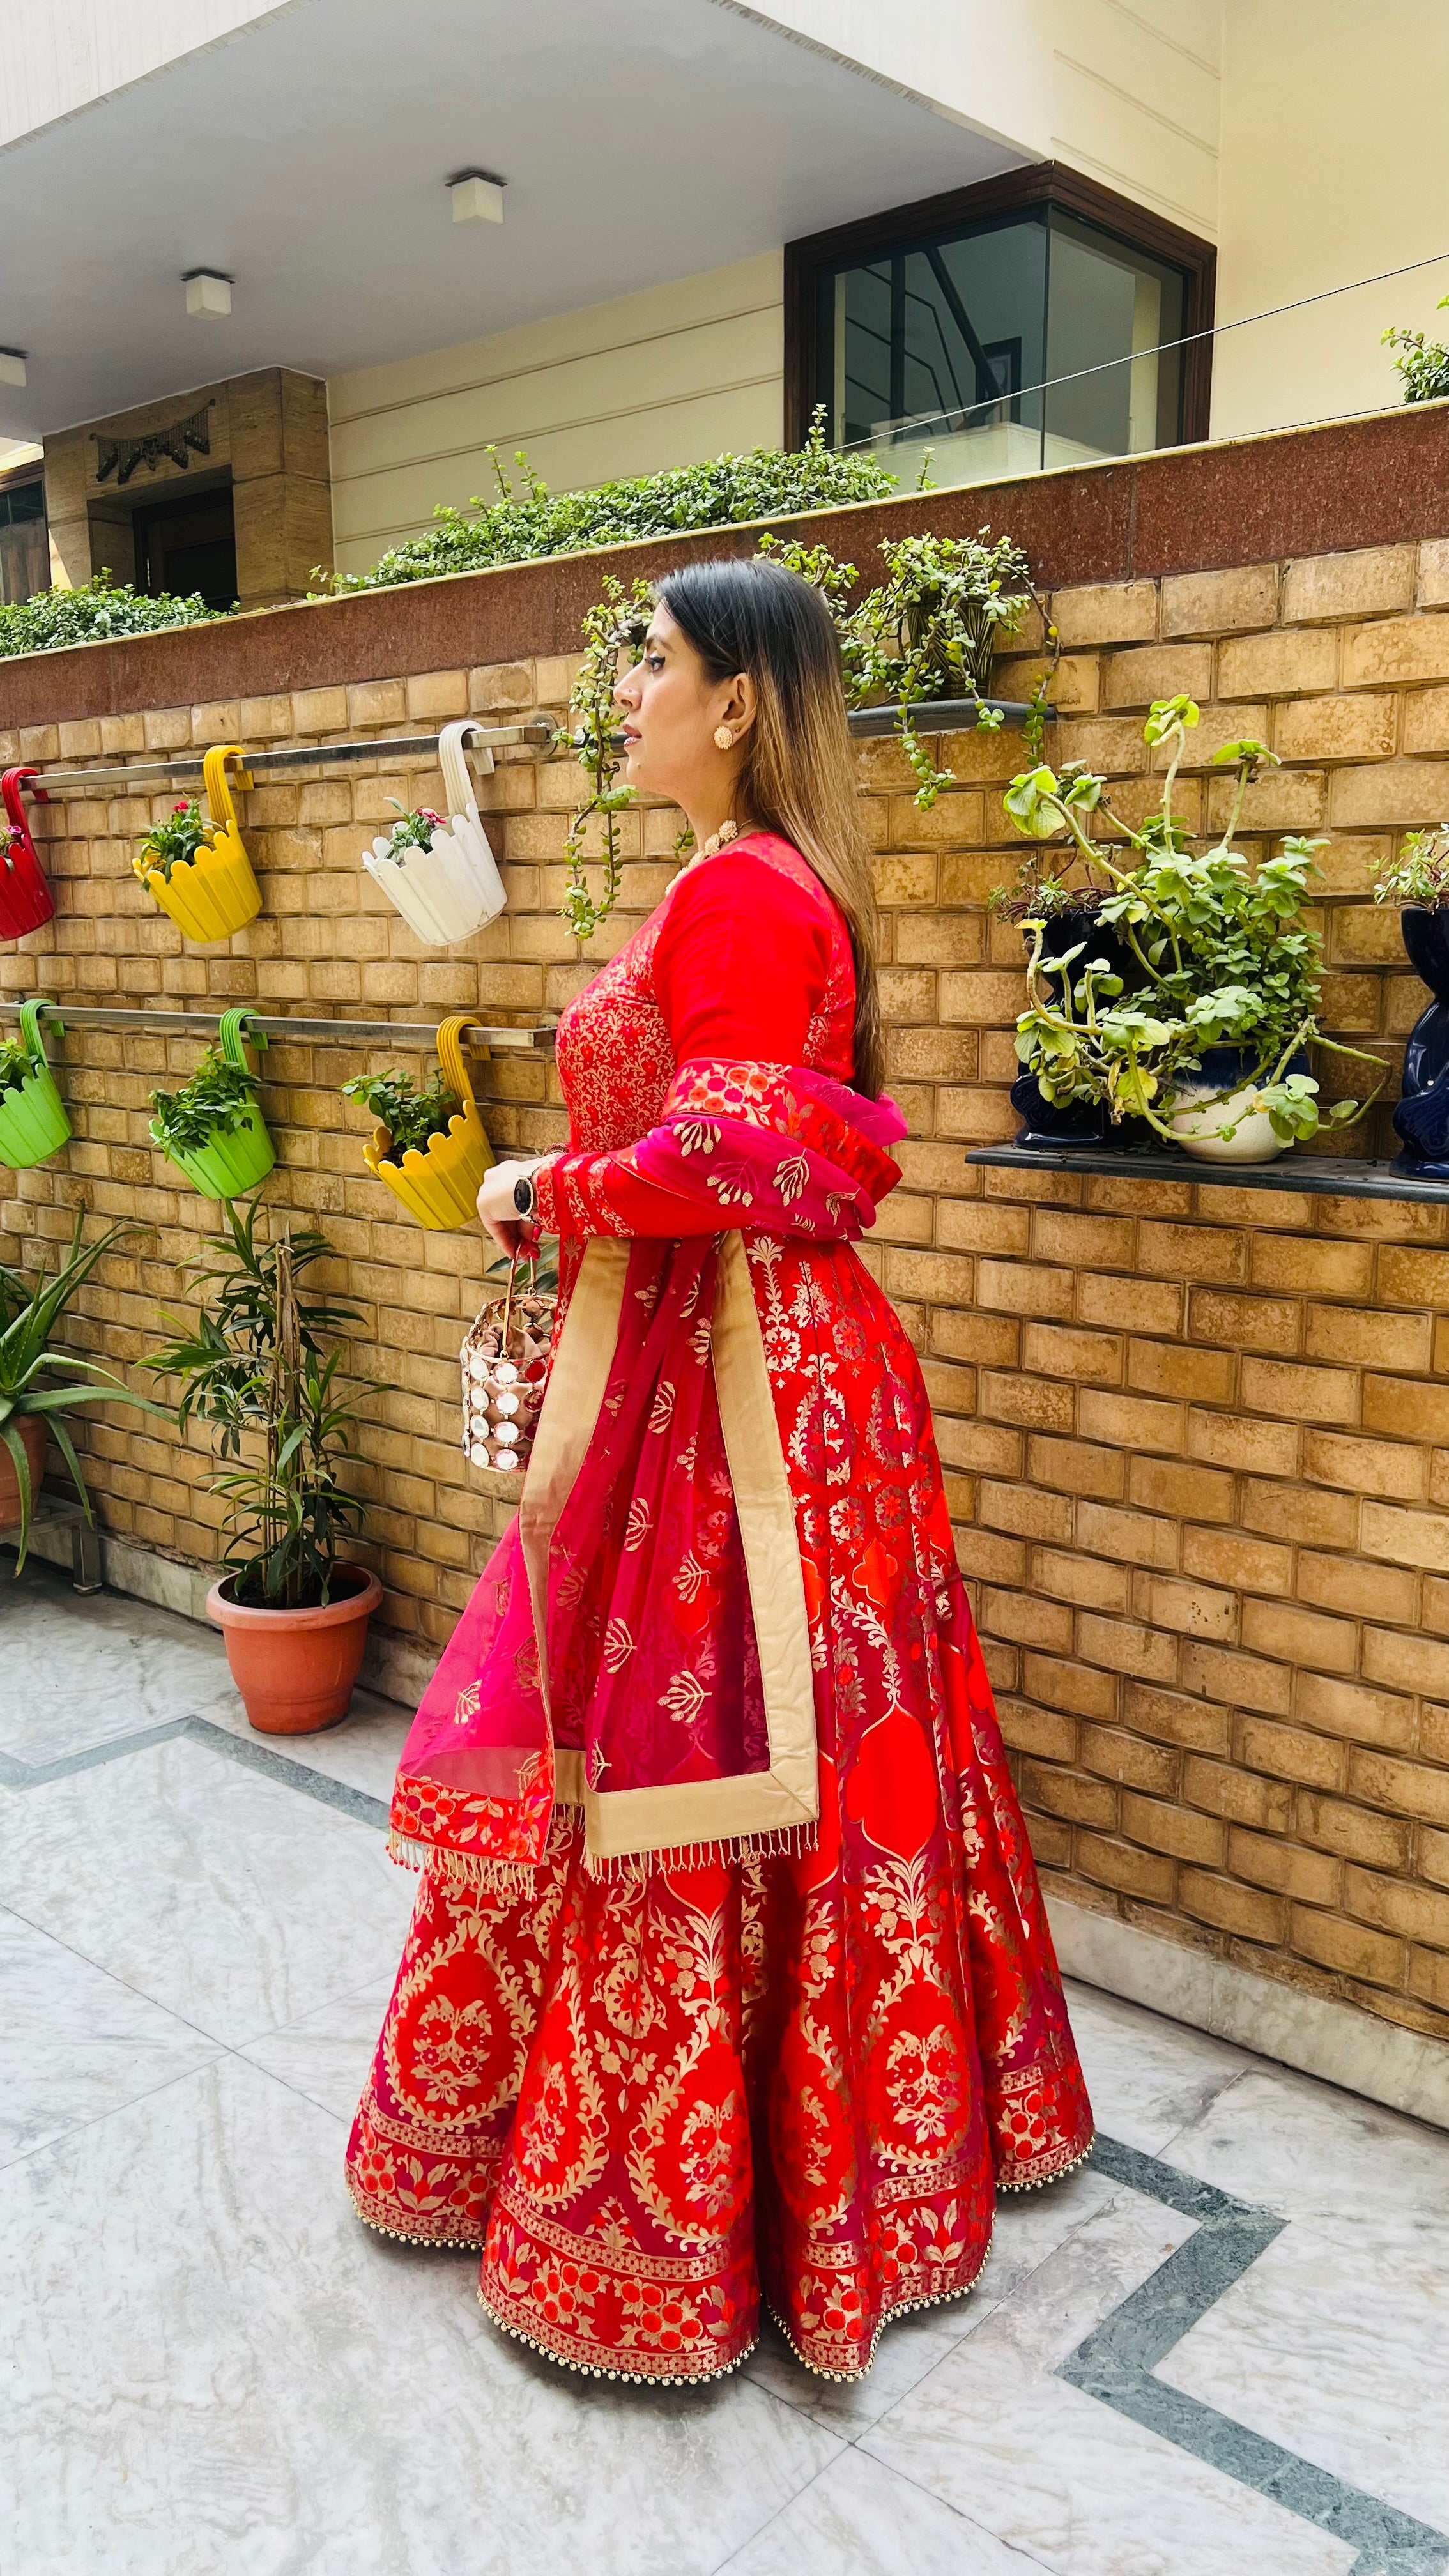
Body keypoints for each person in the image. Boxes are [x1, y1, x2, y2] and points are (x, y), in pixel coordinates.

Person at [346, 555, 1092, 2384]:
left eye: (653, 663)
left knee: (710, 1749)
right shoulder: (731, 878)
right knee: (752, 1747)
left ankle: (704, 2224)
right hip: (726, 1362)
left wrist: (542, 1189)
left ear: (738, 699)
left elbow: (731, 1162)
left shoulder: (748, 890)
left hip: (748, 1388)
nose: (626, 693)